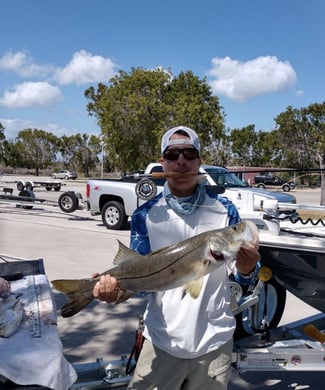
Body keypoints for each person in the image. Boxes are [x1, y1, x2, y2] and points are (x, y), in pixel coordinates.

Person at [93, 126, 260, 390]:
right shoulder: (145, 215)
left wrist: (248, 266)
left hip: (214, 342)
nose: (181, 160)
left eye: (189, 153)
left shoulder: (225, 210)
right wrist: (114, 290)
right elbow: (142, 284)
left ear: (199, 162)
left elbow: (243, 279)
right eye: (172, 154)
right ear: (163, 163)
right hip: (162, 339)